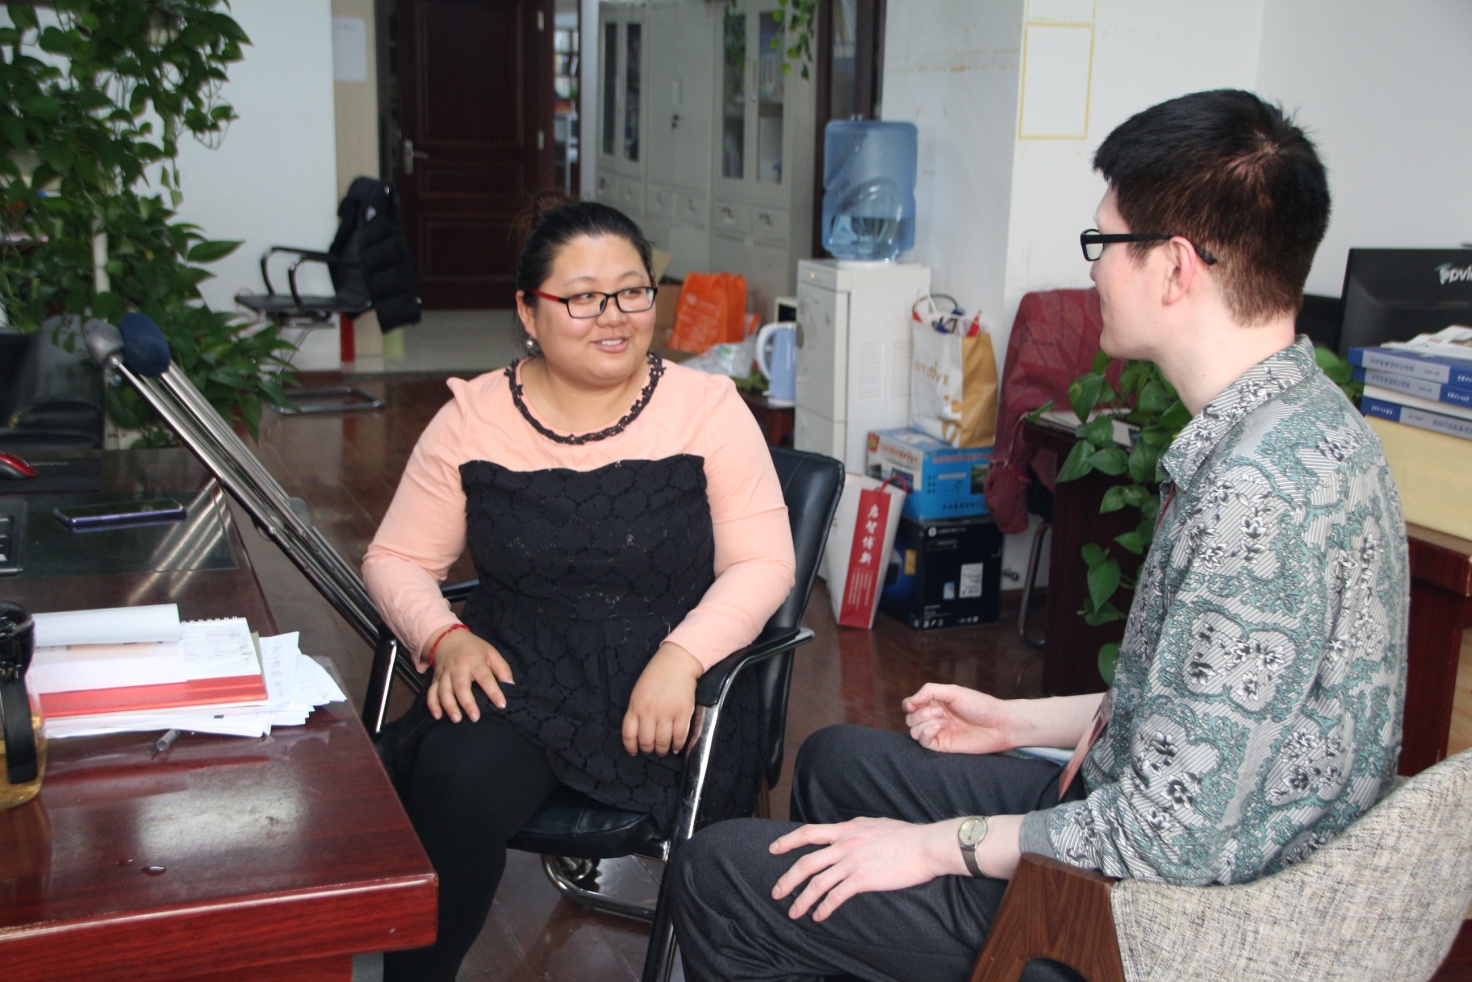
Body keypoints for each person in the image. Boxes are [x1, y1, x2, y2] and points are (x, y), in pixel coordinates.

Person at [669, 88, 1409, 982]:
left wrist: (933, 847)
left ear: (1176, 268)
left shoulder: (1259, 501)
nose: (1093, 270)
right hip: (1161, 827)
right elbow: (1208, 717)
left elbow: (1160, 842)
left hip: (1156, 921)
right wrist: (1013, 720)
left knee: (721, 875)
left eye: (1106, 242)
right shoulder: (1307, 420)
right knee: (834, 764)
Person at [362, 195, 796, 982]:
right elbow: (395, 559)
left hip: (666, 693)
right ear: (528, 311)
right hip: (521, 674)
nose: (615, 316)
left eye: (633, 291)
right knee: (453, 780)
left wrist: (683, 658)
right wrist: (443, 636)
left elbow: (763, 563)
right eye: (584, 297)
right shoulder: (472, 418)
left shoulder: (708, 409)